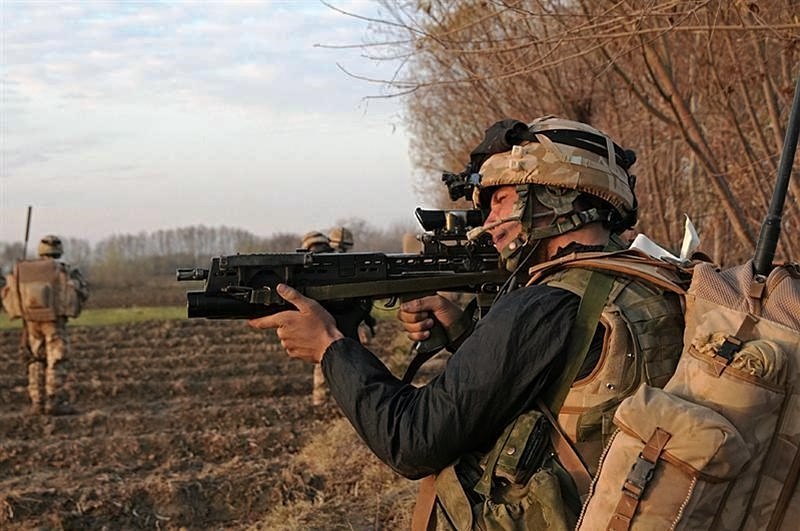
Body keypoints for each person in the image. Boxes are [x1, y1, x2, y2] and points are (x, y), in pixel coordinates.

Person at [250, 117, 685, 529]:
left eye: (500, 201)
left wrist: (329, 346)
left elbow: (412, 439)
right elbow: (562, 382)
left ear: (554, 196)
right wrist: (464, 332)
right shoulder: (651, 279)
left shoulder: (544, 302)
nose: (490, 223)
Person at [1, 235, 89, 415]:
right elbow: (81, 292)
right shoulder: (64, 270)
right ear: (59, 251)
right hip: (54, 322)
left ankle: (37, 402)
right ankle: (54, 401)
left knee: (35, 360)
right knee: (57, 359)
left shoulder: (24, 270)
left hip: (31, 322)